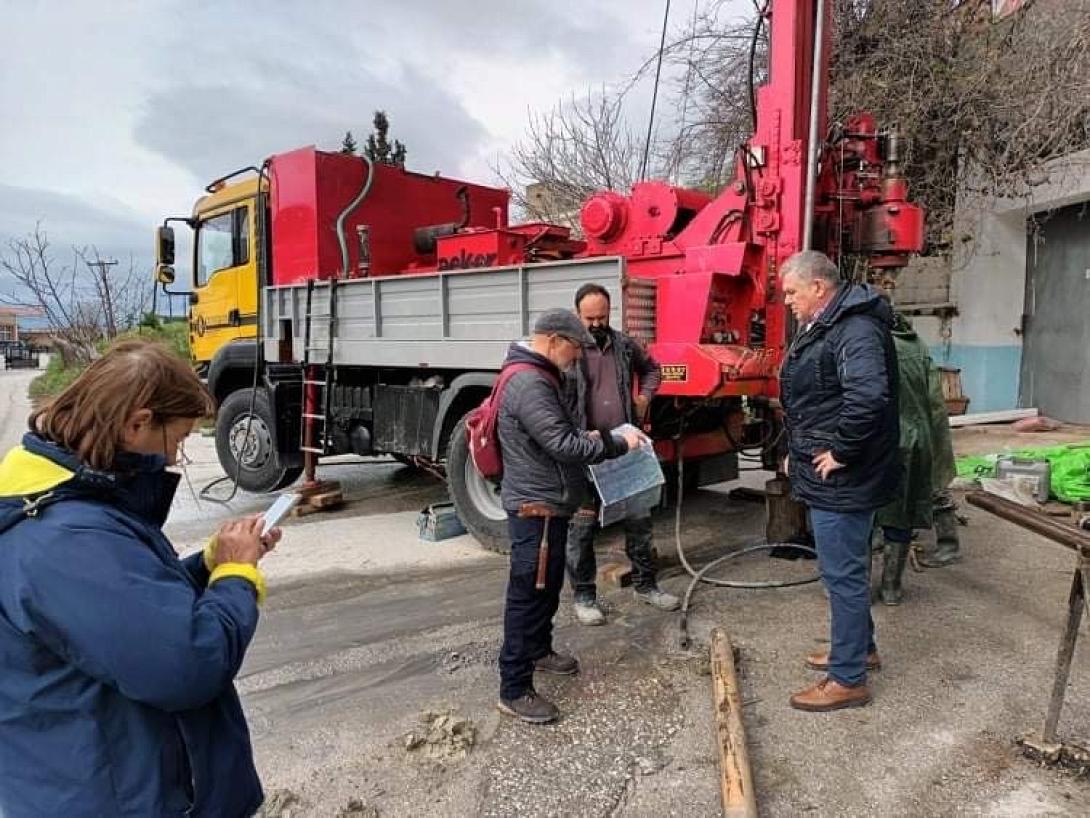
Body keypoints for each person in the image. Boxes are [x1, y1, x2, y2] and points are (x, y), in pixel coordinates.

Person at [0, 340, 277, 818]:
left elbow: (128, 613)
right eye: (179, 439)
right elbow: (186, 663)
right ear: (137, 423)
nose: (175, 458)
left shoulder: (64, 503)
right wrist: (235, 578)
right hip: (116, 799)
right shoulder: (66, 541)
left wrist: (209, 564)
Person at [497, 308, 643, 724]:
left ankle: (539, 650)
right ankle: (514, 688)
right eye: (575, 348)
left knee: (544, 587)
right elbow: (562, 444)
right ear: (554, 340)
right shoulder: (529, 383)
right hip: (535, 507)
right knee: (527, 594)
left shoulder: (537, 375)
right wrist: (615, 443)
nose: (577, 357)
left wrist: (593, 436)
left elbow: (557, 435)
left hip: (548, 502)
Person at [778, 251, 900, 712]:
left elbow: (867, 397)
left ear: (818, 288)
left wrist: (842, 452)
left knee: (842, 575)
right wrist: (798, 453)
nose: (788, 301)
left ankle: (847, 679)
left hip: (847, 478)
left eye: (792, 292)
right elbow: (820, 401)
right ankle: (859, 649)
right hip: (832, 472)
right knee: (844, 569)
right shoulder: (833, 324)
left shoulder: (854, 328)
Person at [563, 282, 677, 625]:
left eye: (602, 316)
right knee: (582, 528)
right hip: (586, 453)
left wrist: (644, 398)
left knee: (639, 521)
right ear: (576, 315)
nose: (596, 324)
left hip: (625, 449)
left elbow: (653, 370)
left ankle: (646, 586)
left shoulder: (625, 346)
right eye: (589, 318)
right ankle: (584, 597)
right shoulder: (569, 352)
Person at [874, 311, 937, 605]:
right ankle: (891, 589)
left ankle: (859, 592)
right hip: (918, 440)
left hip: (883, 441)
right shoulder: (919, 347)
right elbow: (936, 403)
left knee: (864, 515)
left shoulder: (872, 346)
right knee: (901, 515)